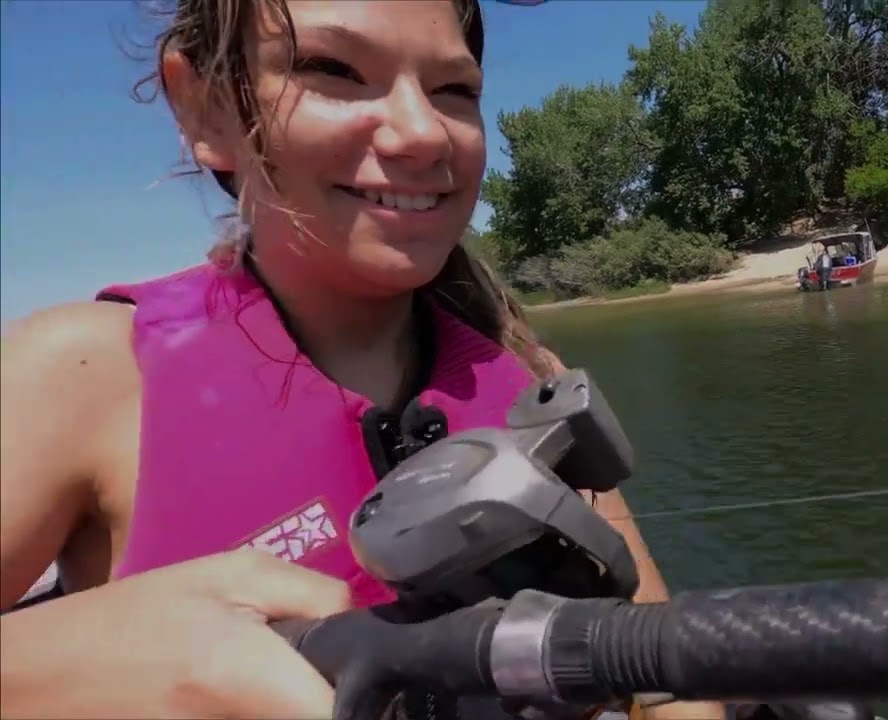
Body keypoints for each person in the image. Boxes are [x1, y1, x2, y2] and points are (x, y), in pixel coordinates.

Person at [0, 2, 725, 719]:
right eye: (333, 69)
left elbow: (664, 687)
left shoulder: (527, 373)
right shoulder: (83, 375)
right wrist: (90, 659)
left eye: (454, 90)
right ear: (207, 108)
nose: (421, 132)